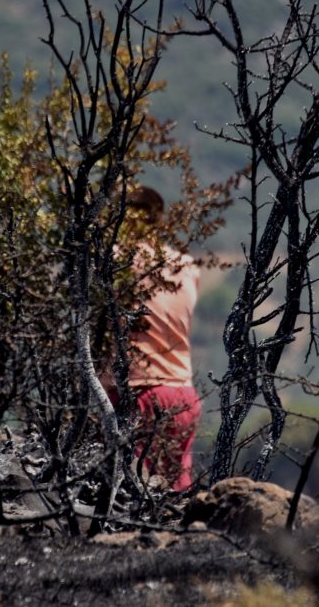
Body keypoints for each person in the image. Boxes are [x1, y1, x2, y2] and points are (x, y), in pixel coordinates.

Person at [114, 186, 202, 492]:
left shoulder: (116, 262)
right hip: (182, 394)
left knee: (125, 491)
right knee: (175, 494)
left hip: (136, 392)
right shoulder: (187, 267)